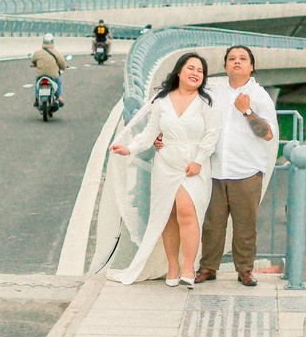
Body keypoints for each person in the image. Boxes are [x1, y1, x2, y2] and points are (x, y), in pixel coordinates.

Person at [107, 53, 221, 288]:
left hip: (193, 166)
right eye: (191, 68)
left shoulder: (206, 103)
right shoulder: (161, 101)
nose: (195, 73)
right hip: (166, 163)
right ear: (179, 71)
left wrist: (199, 160)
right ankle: (172, 266)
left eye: (200, 71)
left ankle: (189, 267)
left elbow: (212, 134)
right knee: (167, 215)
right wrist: (129, 148)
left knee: (187, 212)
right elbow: (149, 133)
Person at [195, 46, 278, 287]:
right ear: (225, 66)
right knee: (212, 224)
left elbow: (268, 133)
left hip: (247, 171)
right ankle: (208, 268)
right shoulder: (214, 92)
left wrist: (247, 111)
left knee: (245, 226)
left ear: (251, 66)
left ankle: (245, 271)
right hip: (216, 169)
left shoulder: (259, 95)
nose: (237, 62)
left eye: (243, 59)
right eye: (232, 59)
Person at [31, 33, 66, 107]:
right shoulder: (57, 53)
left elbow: (33, 60)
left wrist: (35, 64)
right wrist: (63, 68)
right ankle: (59, 99)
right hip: (53, 75)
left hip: (41, 75)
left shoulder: (38, 53)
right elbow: (62, 62)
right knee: (58, 82)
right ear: (52, 42)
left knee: (37, 83)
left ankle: (37, 99)